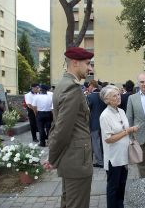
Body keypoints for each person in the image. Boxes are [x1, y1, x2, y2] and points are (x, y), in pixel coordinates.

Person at [44, 47, 94, 208]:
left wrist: (54, 156)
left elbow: (56, 125)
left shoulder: (63, 85)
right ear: (74, 63)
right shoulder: (71, 89)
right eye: (88, 64)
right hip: (77, 162)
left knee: (69, 202)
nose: (90, 68)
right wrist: (52, 158)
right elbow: (62, 130)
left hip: (71, 159)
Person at [99, 85, 138, 208]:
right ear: (107, 100)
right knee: (113, 187)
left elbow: (123, 128)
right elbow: (108, 139)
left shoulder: (121, 111)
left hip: (123, 155)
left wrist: (131, 132)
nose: (118, 97)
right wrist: (128, 131)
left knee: (122, 184)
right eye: (114, 95)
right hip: (113, 157)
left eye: (118, 94)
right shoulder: (105, 116)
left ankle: (120, 205)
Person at [87, 80, 106, 168]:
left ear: (92, 85)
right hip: (104, 122)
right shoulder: (103, 95)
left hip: (94, 123)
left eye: (89, 86)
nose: (88, 88)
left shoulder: (90, 96)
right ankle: (105, 159)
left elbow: (87, 110)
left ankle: (100, 161)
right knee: (103, 142)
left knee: (96, 142)